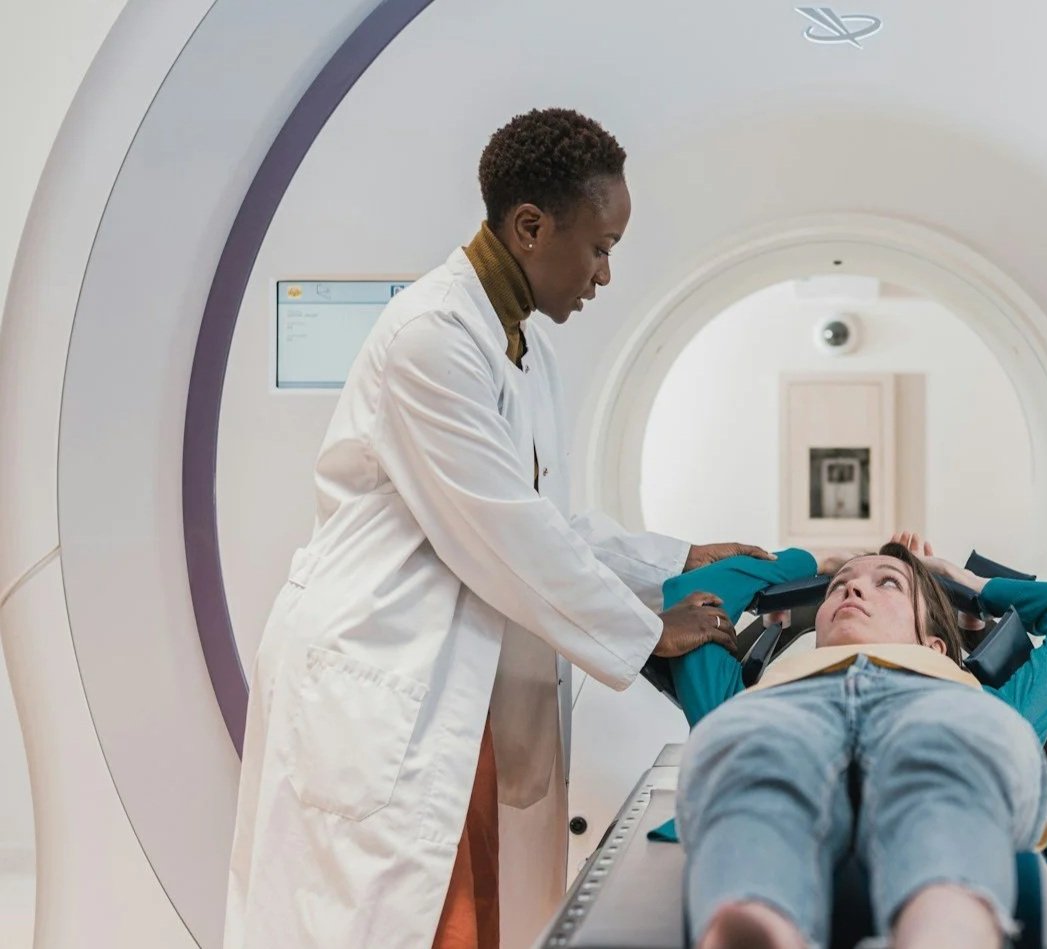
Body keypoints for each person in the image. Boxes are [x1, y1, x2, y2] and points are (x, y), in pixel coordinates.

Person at [223, 107, 770, 949]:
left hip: (451, 680)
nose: (604, 275)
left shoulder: (520, 346)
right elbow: (505, 532)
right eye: (600, 246)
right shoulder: (430, 338)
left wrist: (677, 556)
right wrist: (646, 628)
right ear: (529, 227)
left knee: (470, 916)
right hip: (382, 663)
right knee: (396, 917)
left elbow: (543, 518)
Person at [662, 533, 1047, 949]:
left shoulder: (972, 694)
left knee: (943, 777)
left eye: (889, 583)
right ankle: (756, 924)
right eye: (839, 586)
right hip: (787, 713)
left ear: (935, 645)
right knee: (763, 772)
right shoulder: (749, 696)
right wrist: (815, 560)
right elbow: (691, 598)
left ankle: (947, 925)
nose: (853, 588)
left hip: (932, 709)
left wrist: (969, 584)